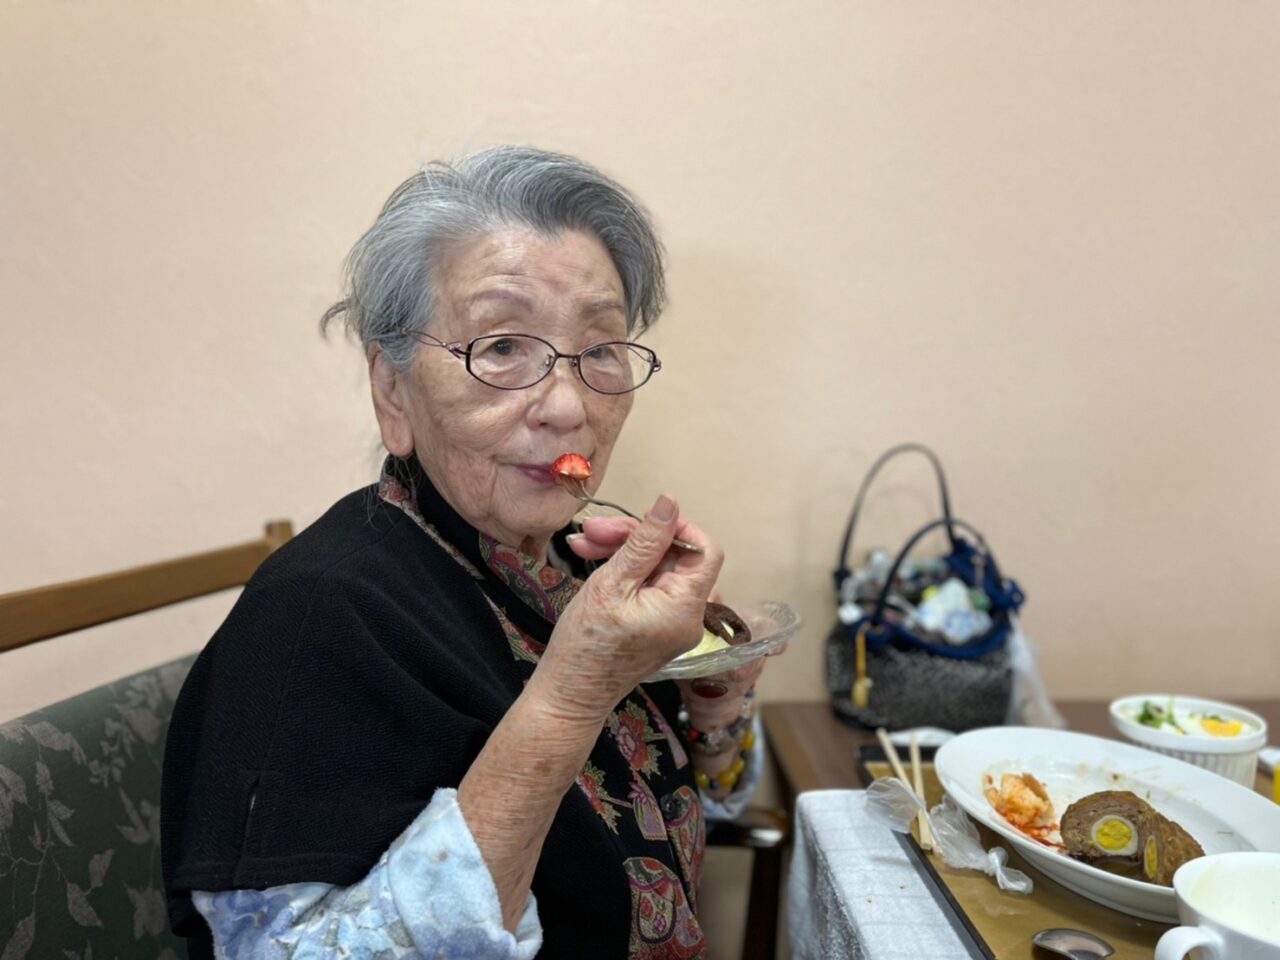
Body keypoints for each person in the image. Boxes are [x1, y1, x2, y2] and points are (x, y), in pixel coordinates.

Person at [161, 145, 777, 958]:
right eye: (502, 347)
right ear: (393, 391)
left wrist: (715, 700)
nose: (568, 407)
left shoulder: (566, 566)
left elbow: (677, 808)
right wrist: (574, 691)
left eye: (600, 349)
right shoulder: (316, 614)